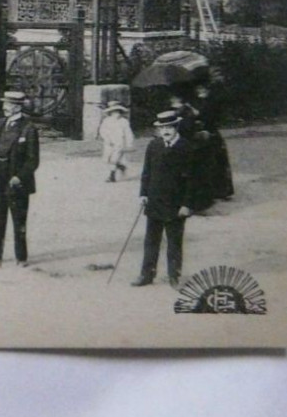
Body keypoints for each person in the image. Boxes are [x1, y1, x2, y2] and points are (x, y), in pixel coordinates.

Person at [133, 108, 195, 287]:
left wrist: (187, 204)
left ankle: (174, 277)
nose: (166, 131)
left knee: (174, 243)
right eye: (162, 128)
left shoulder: (186, 147)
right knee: (151, 241)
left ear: (176, 127)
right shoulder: (154, 146)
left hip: (175, 204)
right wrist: (143, 194)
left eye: (169, 127)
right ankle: (147, 274)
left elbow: (192, 180)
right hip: (154, 201)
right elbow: (147, 172)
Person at [0, 90, 40, 265]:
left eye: (8, 105)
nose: (4, 108)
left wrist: (20, 177)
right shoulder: (1, 123)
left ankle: (21, 257)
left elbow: (33, 160)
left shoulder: (28, 129)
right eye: (4, 104)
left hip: (16, 181)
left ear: (17, 107)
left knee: (18, 220)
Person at [192, 80, 234, 202]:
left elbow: (209, 117)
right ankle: (218, 190)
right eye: (199, 89)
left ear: (207, 89)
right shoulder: (202, 101)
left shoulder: (211, 102)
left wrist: (197, 115)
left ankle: (222, 191)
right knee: (213, 162)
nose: (200, 91)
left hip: (211, 134)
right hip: (208, 134)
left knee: (215, 162)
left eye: (202, 89)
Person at [98, 100, 135, 182]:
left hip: (119, 143)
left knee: (114, 159)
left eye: (118, 112)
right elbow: (102, 131)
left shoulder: (124, 122)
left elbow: (128, 133)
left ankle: (112, 176)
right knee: (107, 159)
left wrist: (129, 143)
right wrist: (107, 138)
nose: (116, 114)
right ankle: (121, 166)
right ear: (110, 112)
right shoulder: (107, 121)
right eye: (114, 112)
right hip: (108, 143)